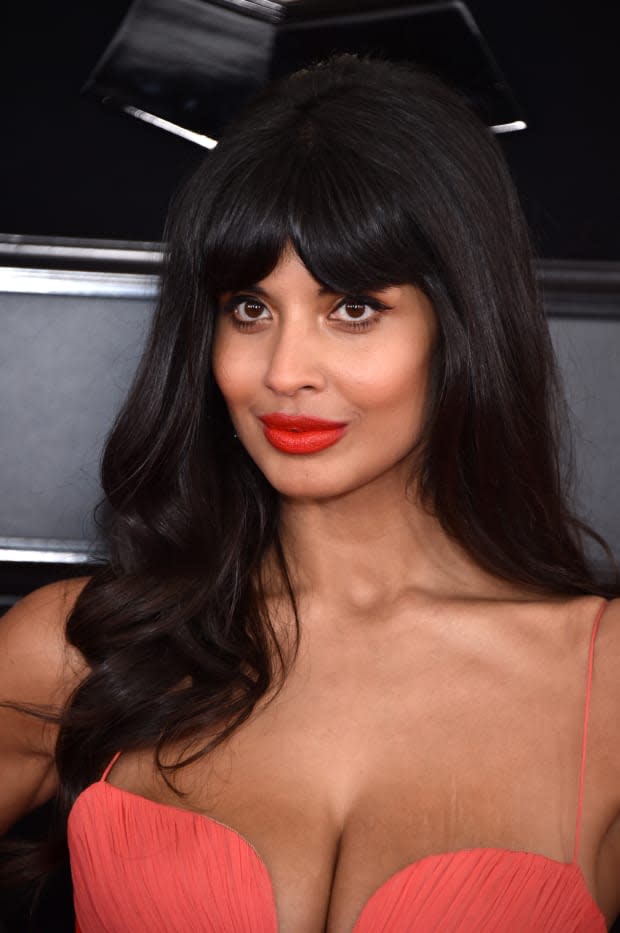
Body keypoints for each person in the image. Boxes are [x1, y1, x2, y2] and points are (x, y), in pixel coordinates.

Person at [1, 51, 619, 932]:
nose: (285, 371)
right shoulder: (75, 651)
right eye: (249, 308)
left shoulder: (604, 684)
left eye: (353, 308)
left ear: (462, 326)